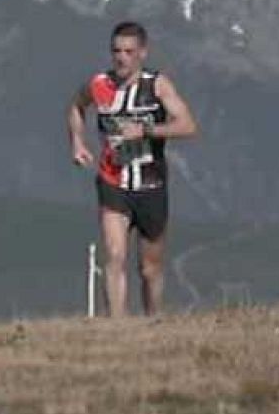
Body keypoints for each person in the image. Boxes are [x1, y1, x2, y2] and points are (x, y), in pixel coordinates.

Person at [67, 21, 198, 317]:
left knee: (149, 268)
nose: (121, 58)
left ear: (142, 53)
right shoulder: (99, 84)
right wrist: (77, 142)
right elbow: (76, 106)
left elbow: (188, 125)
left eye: (128, 51)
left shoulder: (157, 85)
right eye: (116, 51)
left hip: (151, 184)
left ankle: (153, 322)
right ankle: (118, 328)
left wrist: (146, 130)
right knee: (114, 256)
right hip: (113, 182)